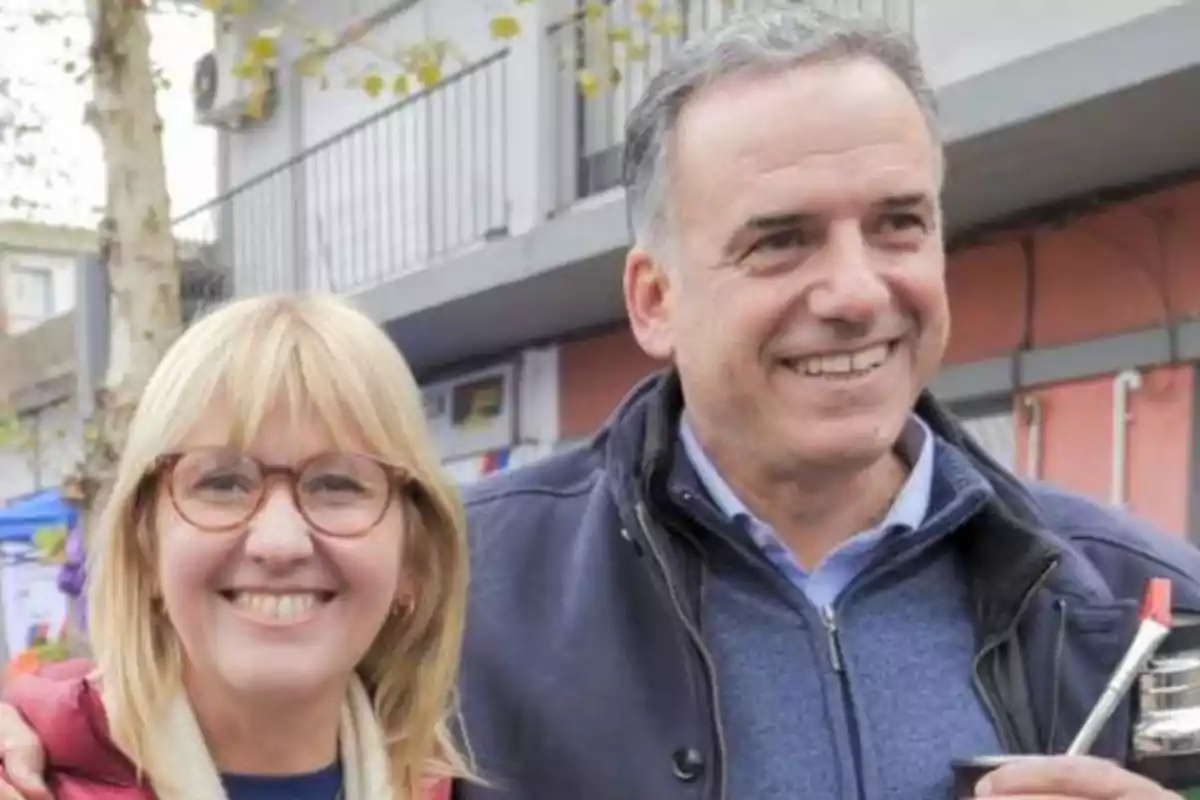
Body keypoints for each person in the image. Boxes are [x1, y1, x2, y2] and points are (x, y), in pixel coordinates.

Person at [0, 7, 1196, 800]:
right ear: (655, 296)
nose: (855, 289)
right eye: (778, 242)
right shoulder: (455, 580)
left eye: (899, 223)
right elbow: (180, 693)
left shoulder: (1139, 600)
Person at [0, 295, 468, 798]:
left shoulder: (452, 787)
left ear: (414, 557)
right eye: (222, 483)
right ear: (145, 544)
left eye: (339, 485)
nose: (280, 542)